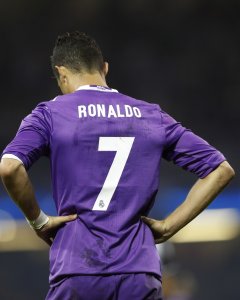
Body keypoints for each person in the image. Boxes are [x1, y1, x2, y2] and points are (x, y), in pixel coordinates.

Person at [0, 31, 234, 300]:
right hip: (139, 272)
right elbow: (221, 170)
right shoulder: (150, 114)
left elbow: (10, 167)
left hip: (77, 269)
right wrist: (169, 226)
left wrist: (38, 221)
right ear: (105, 68)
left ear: (61, 73)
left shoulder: (50, 114)